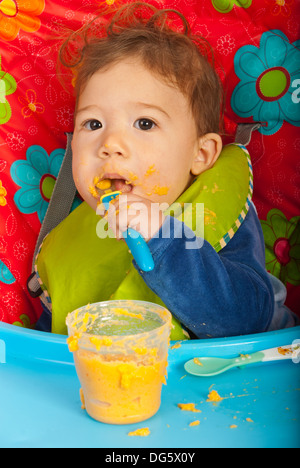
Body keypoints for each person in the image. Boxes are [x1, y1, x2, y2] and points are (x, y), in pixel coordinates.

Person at [34, 2, 297, 338]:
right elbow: (53, 345)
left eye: (144, 123)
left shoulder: (213, 211)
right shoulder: (71, 237)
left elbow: (246, 320)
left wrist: (164, 237)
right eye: (93, 123)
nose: (110, 143)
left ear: (201, 154)